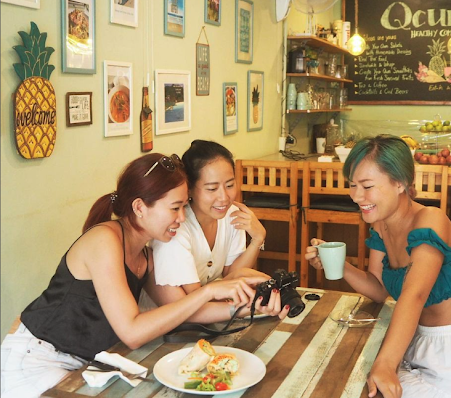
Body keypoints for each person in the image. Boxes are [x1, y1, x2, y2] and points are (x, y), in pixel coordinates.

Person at [0, 152, 282, 398]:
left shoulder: (146, 256)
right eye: (175, 208)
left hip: (88, 361)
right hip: (39, 359)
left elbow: (184, 311)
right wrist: (208, 291)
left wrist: (249, 307)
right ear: (139, 207)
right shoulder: (105, 241)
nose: (181, 218)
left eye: (183, 207)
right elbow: (133, 333)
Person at [305, 135, 451, 398]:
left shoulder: (430, 220)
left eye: (367, 186)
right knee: (345, 378)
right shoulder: (381, 224)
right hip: (413, 347)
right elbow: (378, 288)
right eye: (352, 185)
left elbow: (414, 294)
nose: (356, 196)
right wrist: (339, 264)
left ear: (400, 183)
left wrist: (386, 364)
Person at [142, 141, 288, 320]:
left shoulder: (232, 215)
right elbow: (196, 299)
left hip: (209, 318)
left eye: (230, 185)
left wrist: (258, 239)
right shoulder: (176, 228)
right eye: (212, 189)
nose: (224, 197)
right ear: (189, 189)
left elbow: (231, 275)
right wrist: (247, 300)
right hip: (166, 324)